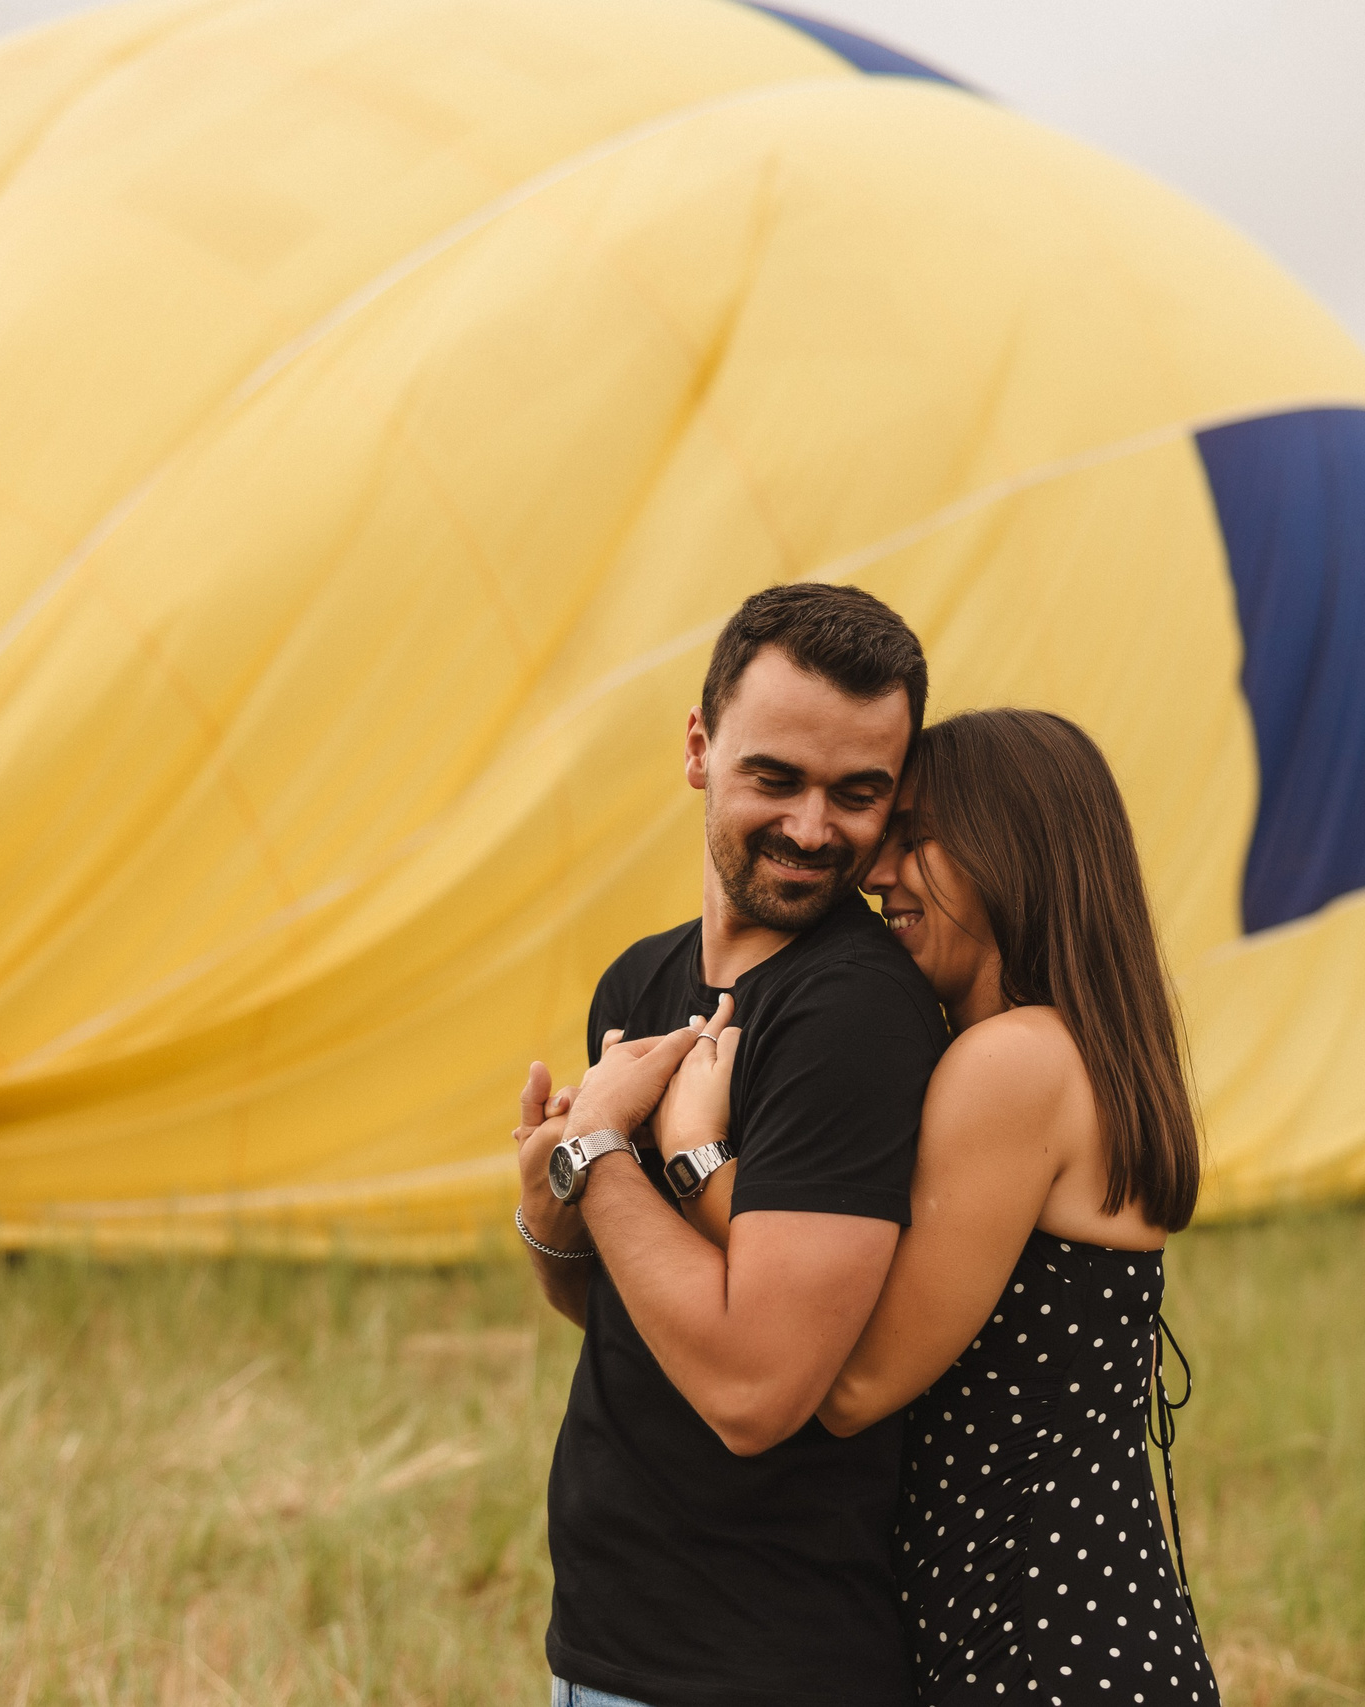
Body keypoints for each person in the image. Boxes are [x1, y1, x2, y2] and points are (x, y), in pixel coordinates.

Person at [653, 708, 1222, 1707]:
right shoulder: (1082, 1052)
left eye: (917, 839)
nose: (879, 874)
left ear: (1010, 854)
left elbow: (856, 1377)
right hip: (1090, 1629)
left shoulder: (1010, 1064)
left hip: (1041, 1648)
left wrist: (695, 1157)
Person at [510, 584, 948, 1707]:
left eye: (857, 794)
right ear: (700, 750)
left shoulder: (849, 1015)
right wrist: (550, 1211)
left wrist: (601, 1152)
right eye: (776, 778)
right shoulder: (641, 979)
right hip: (608, 1635)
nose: (812, 829)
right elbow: (619, 1311)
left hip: (758, 1658)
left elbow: (756, 1389)